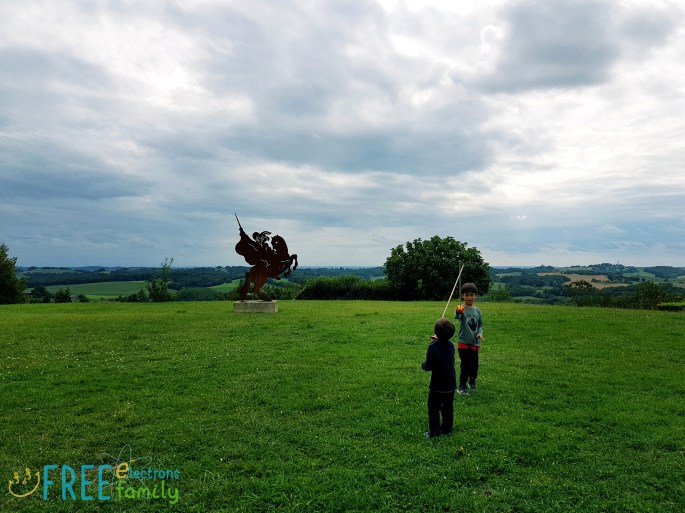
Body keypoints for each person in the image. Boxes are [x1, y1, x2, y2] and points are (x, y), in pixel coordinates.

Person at [421, 318, 457, 438]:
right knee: (448, 407)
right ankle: (447, 428)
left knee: (433, 408)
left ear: (436, 332)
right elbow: (443, 347)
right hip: (451, 384)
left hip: (437, 386)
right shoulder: (451, 345)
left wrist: (423, 365)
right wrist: (437, 341)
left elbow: (428, 366)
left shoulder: (433, 347)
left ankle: (434, 432)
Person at [454, 283, 484, 395]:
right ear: (462, 296)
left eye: (472, 295)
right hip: (463, 342)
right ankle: (462, 386)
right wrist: (458, 311)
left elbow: (480, 325)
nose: (469, 297)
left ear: (475, 295)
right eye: (467, 295)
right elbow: (456, 316)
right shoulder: (461, 308)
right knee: (465, 364)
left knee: (474, 365)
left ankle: (472, 381)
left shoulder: (478, 311)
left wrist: (480, 333)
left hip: (474, 342)